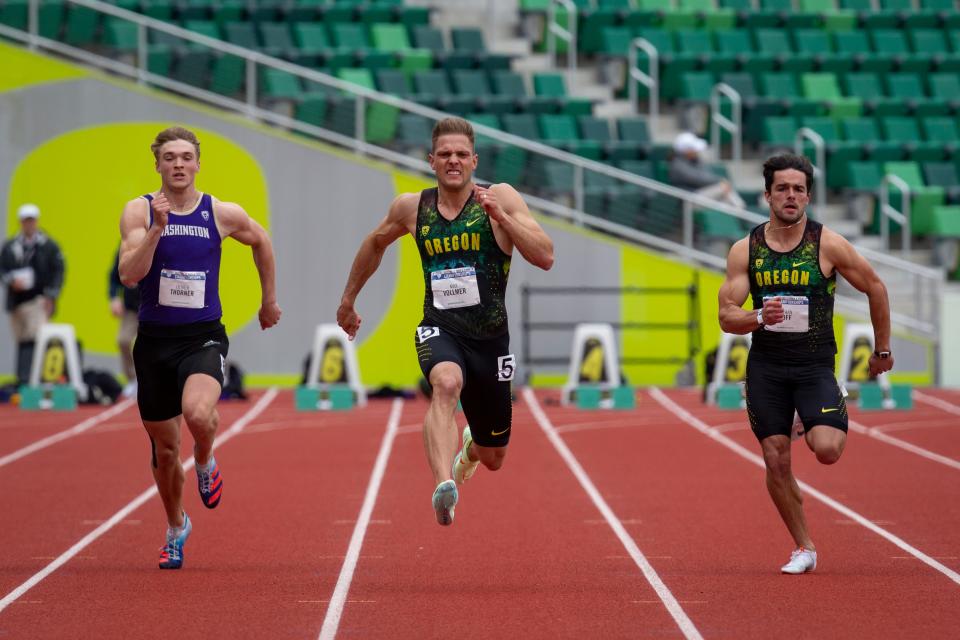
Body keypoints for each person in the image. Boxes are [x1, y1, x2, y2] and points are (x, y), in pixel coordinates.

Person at [337, 117, 554, 526]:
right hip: (441, 328)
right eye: (444, 155)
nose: (452, 161)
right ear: (431, 161)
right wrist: (348, 300)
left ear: (474, 160)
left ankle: (470, 447)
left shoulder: (500, 198)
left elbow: (545, 256)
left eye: (460, 154)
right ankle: (443, 486)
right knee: (446, 384)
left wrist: (502, 219)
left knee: (494, 459)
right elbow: (374, 243)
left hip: (490, 340)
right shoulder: (411, 208)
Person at [718, 153, 893, 574]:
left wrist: (881, 350)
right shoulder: (747, 250)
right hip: (767, 369)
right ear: (767, 195)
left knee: (827, 450)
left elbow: (875, 286)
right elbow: (726, 316)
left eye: (798, 189)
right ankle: (804, 547)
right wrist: (759, 316)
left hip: (815, 366)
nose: (790, 196)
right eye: (782, 188)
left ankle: (818, 412)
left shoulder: (826, 243)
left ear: (808, 196)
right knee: (776, 458)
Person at [118, 126, 281, 569]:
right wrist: (157, 230)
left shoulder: (220, 212)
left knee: (196, 413)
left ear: (197, 163)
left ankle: (206, 457)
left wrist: (268, 300)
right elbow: (129, 275)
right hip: (153, 343)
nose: (178, 164)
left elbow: (261, 241)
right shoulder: (137, 212)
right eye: (169, 157)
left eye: (186, 156)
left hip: (202, 336)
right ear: (157, 164)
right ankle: (176, 526)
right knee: (165, 450)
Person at [0, 204, 65, 384]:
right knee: (22, 338)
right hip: (16, 301)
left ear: (36, 221)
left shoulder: (48, 245)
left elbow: (58, 271)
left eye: (32, 220)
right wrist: (11, 282)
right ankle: (24, 378)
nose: (29, 224)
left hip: (38, 299)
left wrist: (51, 295)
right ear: (21, 222)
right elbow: (2, 269)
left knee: (34, 337)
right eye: (25, 220)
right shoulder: (11, 245)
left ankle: (30, 379)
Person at [669, 131, 747, 209]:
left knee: (725, 202)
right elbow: (698, 179)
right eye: (693, 149)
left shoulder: (694, 161)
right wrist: (720, 181)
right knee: (722, 187)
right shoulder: (678, 165)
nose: (697, 151)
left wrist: (698, 161)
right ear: (686, 151)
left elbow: (706, 174)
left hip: (701, 195)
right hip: (688, 201)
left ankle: (741, 212)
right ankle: (743, 213)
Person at [109, 246, 140, 398]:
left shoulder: (159, 237)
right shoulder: (125, 245)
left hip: (155, 306)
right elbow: (114, 276)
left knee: (154, 344)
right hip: (131, 308)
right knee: (123, 340)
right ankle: (132, 379)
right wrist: (114, 298)